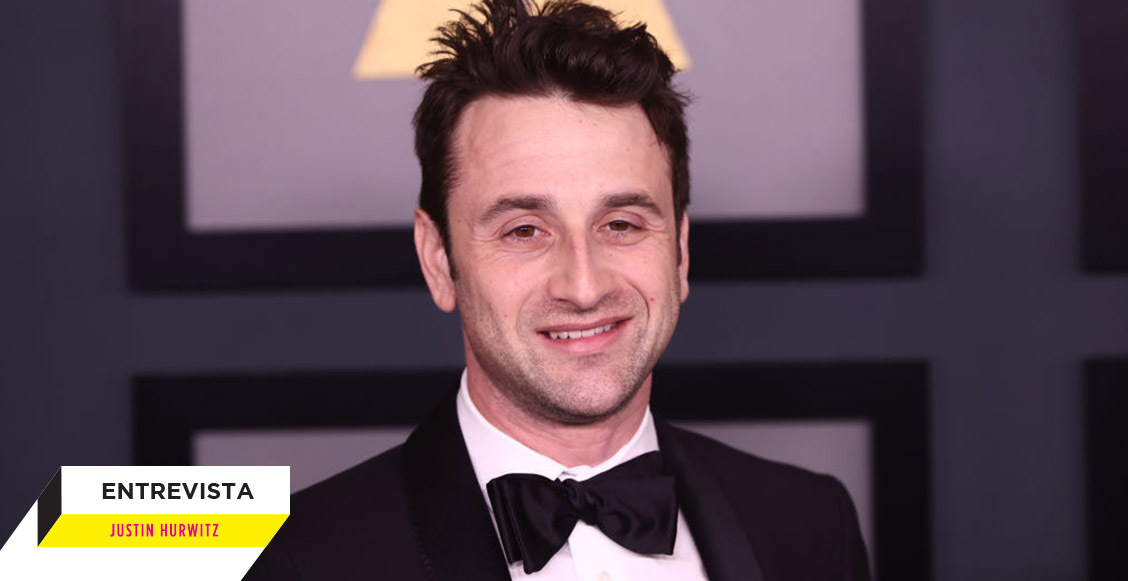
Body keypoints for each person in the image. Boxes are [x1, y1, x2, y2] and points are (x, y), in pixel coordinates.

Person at [246, 1, 870, 579]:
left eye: (621, 224)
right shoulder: (291, 557)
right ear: (439, 260)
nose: (584, 285)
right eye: (524, 231)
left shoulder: (813, 524)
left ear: (680, 250)